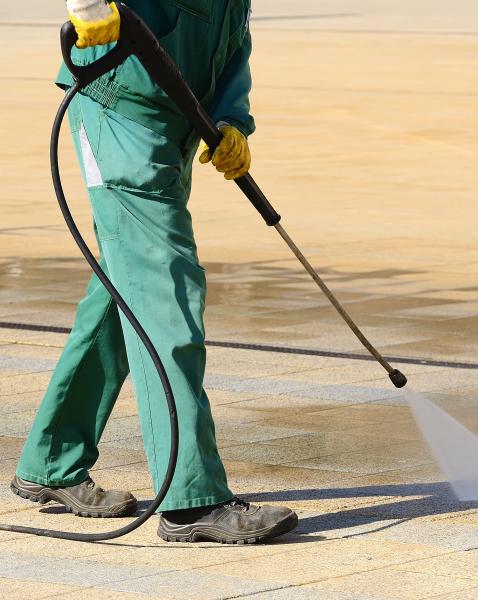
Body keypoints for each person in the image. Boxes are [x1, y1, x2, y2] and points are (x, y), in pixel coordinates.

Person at [11, 0, 298, 544]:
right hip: (115, 110)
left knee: (124, 289)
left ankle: (51, 458)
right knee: (166, 290)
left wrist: (232, 118)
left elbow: (232, 36)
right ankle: (191, 500)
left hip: (173, 130)